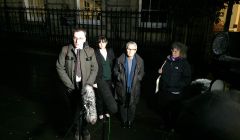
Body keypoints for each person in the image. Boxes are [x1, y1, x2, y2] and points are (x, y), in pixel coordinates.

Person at [56, 28, 98, 140]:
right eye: (75, 37)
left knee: (86, 110)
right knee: (73, 110)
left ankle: (84, 129)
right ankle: (77, 130)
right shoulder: (65, 50)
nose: (76, 40)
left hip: (85, 87)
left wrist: (89, 84)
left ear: (85, 39)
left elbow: (95, 68)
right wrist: (69, 85)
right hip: (71, 87)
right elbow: (59, 67)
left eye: (80, 38)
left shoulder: (90, 51)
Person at [157, 41, 191, 131]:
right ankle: (166, 124)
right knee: (164, 109)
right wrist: (160, 71)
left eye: (176, 51)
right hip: (165, 91)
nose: (173, 52)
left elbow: (187, 79)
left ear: (181, 52)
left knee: (174, 111)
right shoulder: (167, 60)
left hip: (176, 93)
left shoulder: (184, 64)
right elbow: (162, 71)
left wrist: (177, 86)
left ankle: (172, 126)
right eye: (172, 50)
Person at [114, 41, 145, 128]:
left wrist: (138, 78)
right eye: (128, 48)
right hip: (122, 87)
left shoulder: (140, 61)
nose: (130, 51)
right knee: (122, 104)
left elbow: (142, 72)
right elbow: (115, 71)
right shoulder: (119, 59)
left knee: (132, 105)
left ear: (136, 50)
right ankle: (124, 121)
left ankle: (130, 121)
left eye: (132, 49)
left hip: (134, 87)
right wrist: (119, 77)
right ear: (126, 49)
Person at [93, 35, 118, 121]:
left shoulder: (110, 51)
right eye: (99, 42)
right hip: (100, 79)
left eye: (103, 42)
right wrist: (95, 81)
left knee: (109, 95)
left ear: (106, 43)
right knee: (100, 97)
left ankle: (107, 111)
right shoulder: (95, 53)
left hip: (109, 78)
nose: (101, 44)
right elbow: (93, 68)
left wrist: (114, 80)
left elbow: (114, 65)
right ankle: (100, 113)